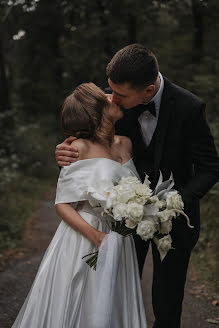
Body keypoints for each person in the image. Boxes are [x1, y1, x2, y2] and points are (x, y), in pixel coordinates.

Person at [55, 44, 219, 328]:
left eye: (119, 95)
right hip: (121, 219)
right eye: (110, 90)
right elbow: (86, 131)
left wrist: (174, 203)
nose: (111, 99)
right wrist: (64, 149)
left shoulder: (189, 107)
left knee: (167, 303)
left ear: (147, 90)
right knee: (115, 292)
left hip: (174, 221)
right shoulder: (116, 98)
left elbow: (210, 167)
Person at [12, 83, 147, 328]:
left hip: (120, 239)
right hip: (86, 236)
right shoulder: (78, 148)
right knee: (83, 298)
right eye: (105, 96)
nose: (112, 97)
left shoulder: (125, 143)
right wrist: (98, 238)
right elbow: (63, 205)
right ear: (96, 113)